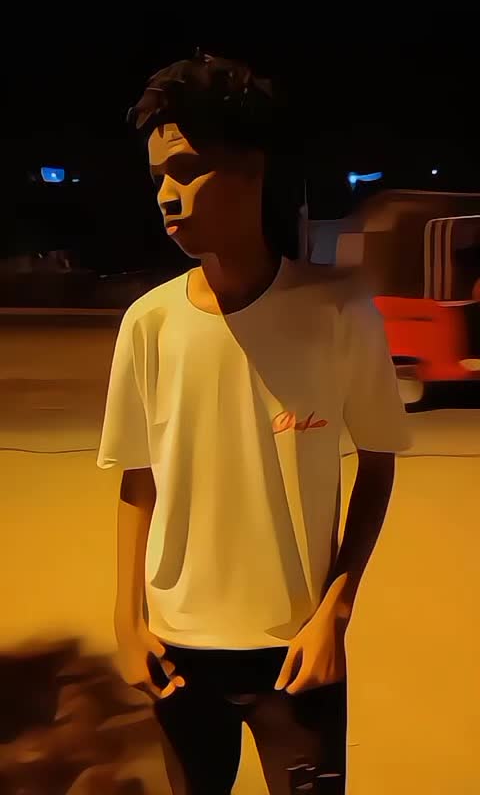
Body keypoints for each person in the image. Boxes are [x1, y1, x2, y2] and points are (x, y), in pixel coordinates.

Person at [97, 52, 412, 795]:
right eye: (158, 178)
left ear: (252, 168)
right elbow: (138, 477)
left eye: (186, 170)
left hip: (298, 653)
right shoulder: (148, 323)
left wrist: (335, 613)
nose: (166, 196)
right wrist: (126, 623)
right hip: (175, 654)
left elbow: (378, 460)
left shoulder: (337, 312)